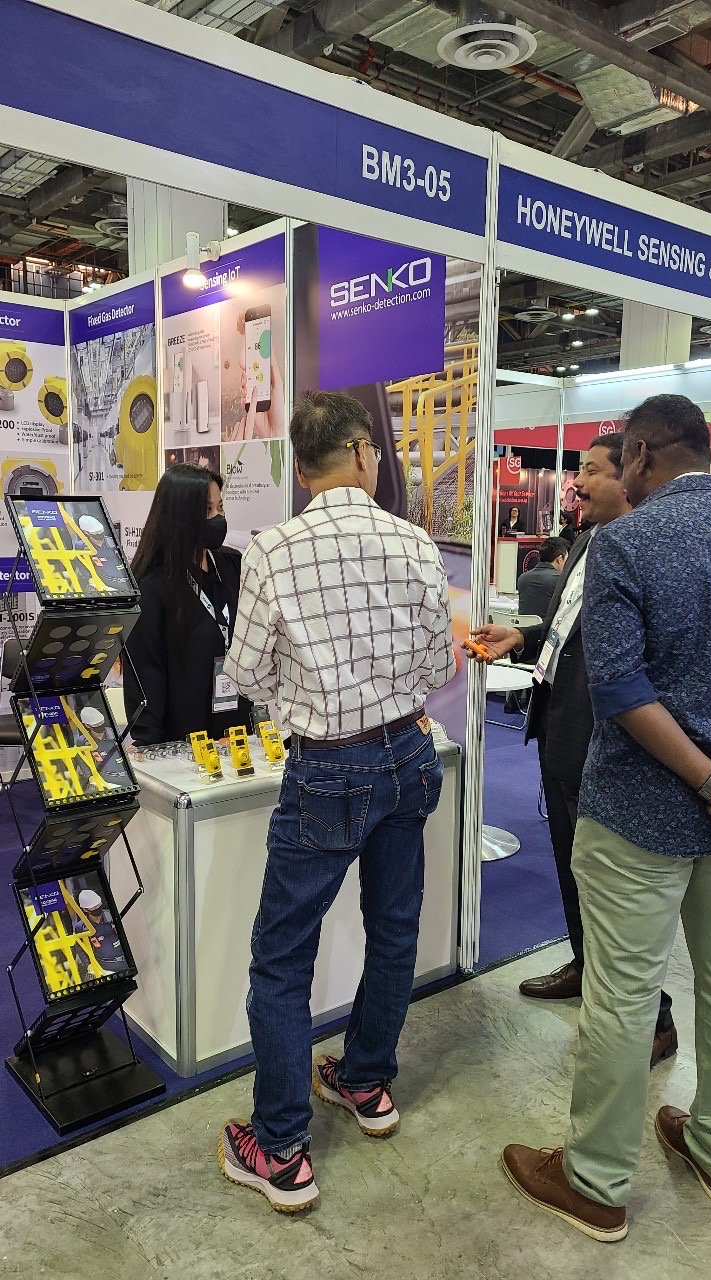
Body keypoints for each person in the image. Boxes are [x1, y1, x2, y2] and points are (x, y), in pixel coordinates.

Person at [218, 391, 454, 1212]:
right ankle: (366, 1080)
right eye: (377, 451)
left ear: (302, 468)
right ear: (360, 452)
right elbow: (439, 664)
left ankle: (281, 1148)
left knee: (283, 957)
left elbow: (246, 672)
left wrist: (308, 689)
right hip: (408, 752)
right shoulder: (414, 540)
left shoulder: (272, 549)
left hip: (326, 766)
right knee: (394, 928)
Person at [501, 394, 711, 1242]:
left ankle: (594, 1180)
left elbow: (622, 691)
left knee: (623, 995)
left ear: (640, 456)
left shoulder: (629, 540)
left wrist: (707, 778)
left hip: (640, 810)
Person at [471, 434, 676, 1067]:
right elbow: (567, 628)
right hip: (561, 726)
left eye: (590, 471)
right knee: (571, 865)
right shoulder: (587, 543)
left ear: (630, 476)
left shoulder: (643, 553)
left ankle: (655, 1018)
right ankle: (586, 967)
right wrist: (522, 636)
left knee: (615, 891)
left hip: (606, 741)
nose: (577, 483)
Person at [123, 463, 252, 745]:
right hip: (183, 747)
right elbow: (146, 673)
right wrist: (149, 746)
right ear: (180, 514)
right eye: (207, 510)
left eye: (220, 507)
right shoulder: (151, 585)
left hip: (238, 737)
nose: (218, 518)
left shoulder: (232, 565)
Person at [517, 537, 568, 618]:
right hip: (548, 625)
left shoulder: (522, 578)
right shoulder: (561, 580)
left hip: (523, 625)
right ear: (560, 559)